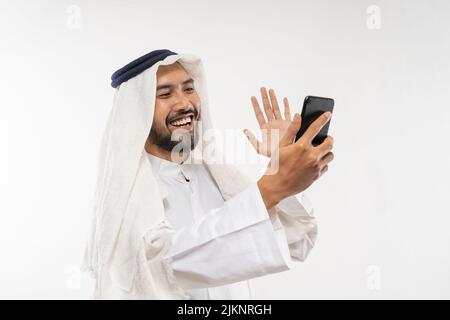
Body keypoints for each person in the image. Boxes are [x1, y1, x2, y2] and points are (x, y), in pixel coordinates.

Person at [82, 49, 334, 299]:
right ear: (138, 109)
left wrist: (278, 166)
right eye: (165, 94)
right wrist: (272, 187)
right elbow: (168, 263)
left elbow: (297, 241)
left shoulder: (217, 175)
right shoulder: (128, 196)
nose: (184, 103)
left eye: (189, 89)